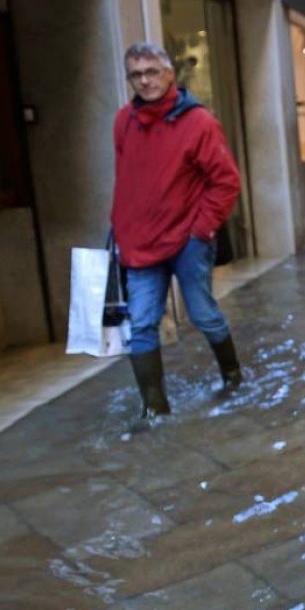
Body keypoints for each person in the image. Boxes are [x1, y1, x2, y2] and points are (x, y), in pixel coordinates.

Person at [110, 42, 242, 423]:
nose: (145, 80)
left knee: (203, 315)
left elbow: (225, 181)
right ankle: (154, 408)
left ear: (169, 74)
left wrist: (201, 231)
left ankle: (232, 376)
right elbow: (127, 177)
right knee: (142, 324)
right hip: (138, 242)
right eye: (136, 74)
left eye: (152, 71)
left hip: (187, 240)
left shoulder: (198, 122)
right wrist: (121, 225)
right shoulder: (124, 121)